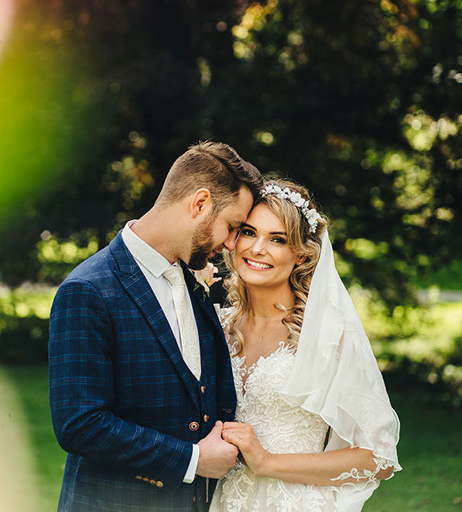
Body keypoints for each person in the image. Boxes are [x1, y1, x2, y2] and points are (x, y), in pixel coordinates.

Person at [49, 141, 263, 511]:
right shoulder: (88, 290)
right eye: (231, 227)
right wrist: (192, 460)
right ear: (199, 203)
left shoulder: (193, 276)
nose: (232, 244)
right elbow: (80, 424)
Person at [209, 179, 401, 512]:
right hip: (219, 500)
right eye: (249, 232)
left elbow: (378, 456)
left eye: (278, 239)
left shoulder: (328, 335)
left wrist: (267, 462)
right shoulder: (216, 326)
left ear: (300, 255)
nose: (257, 248)